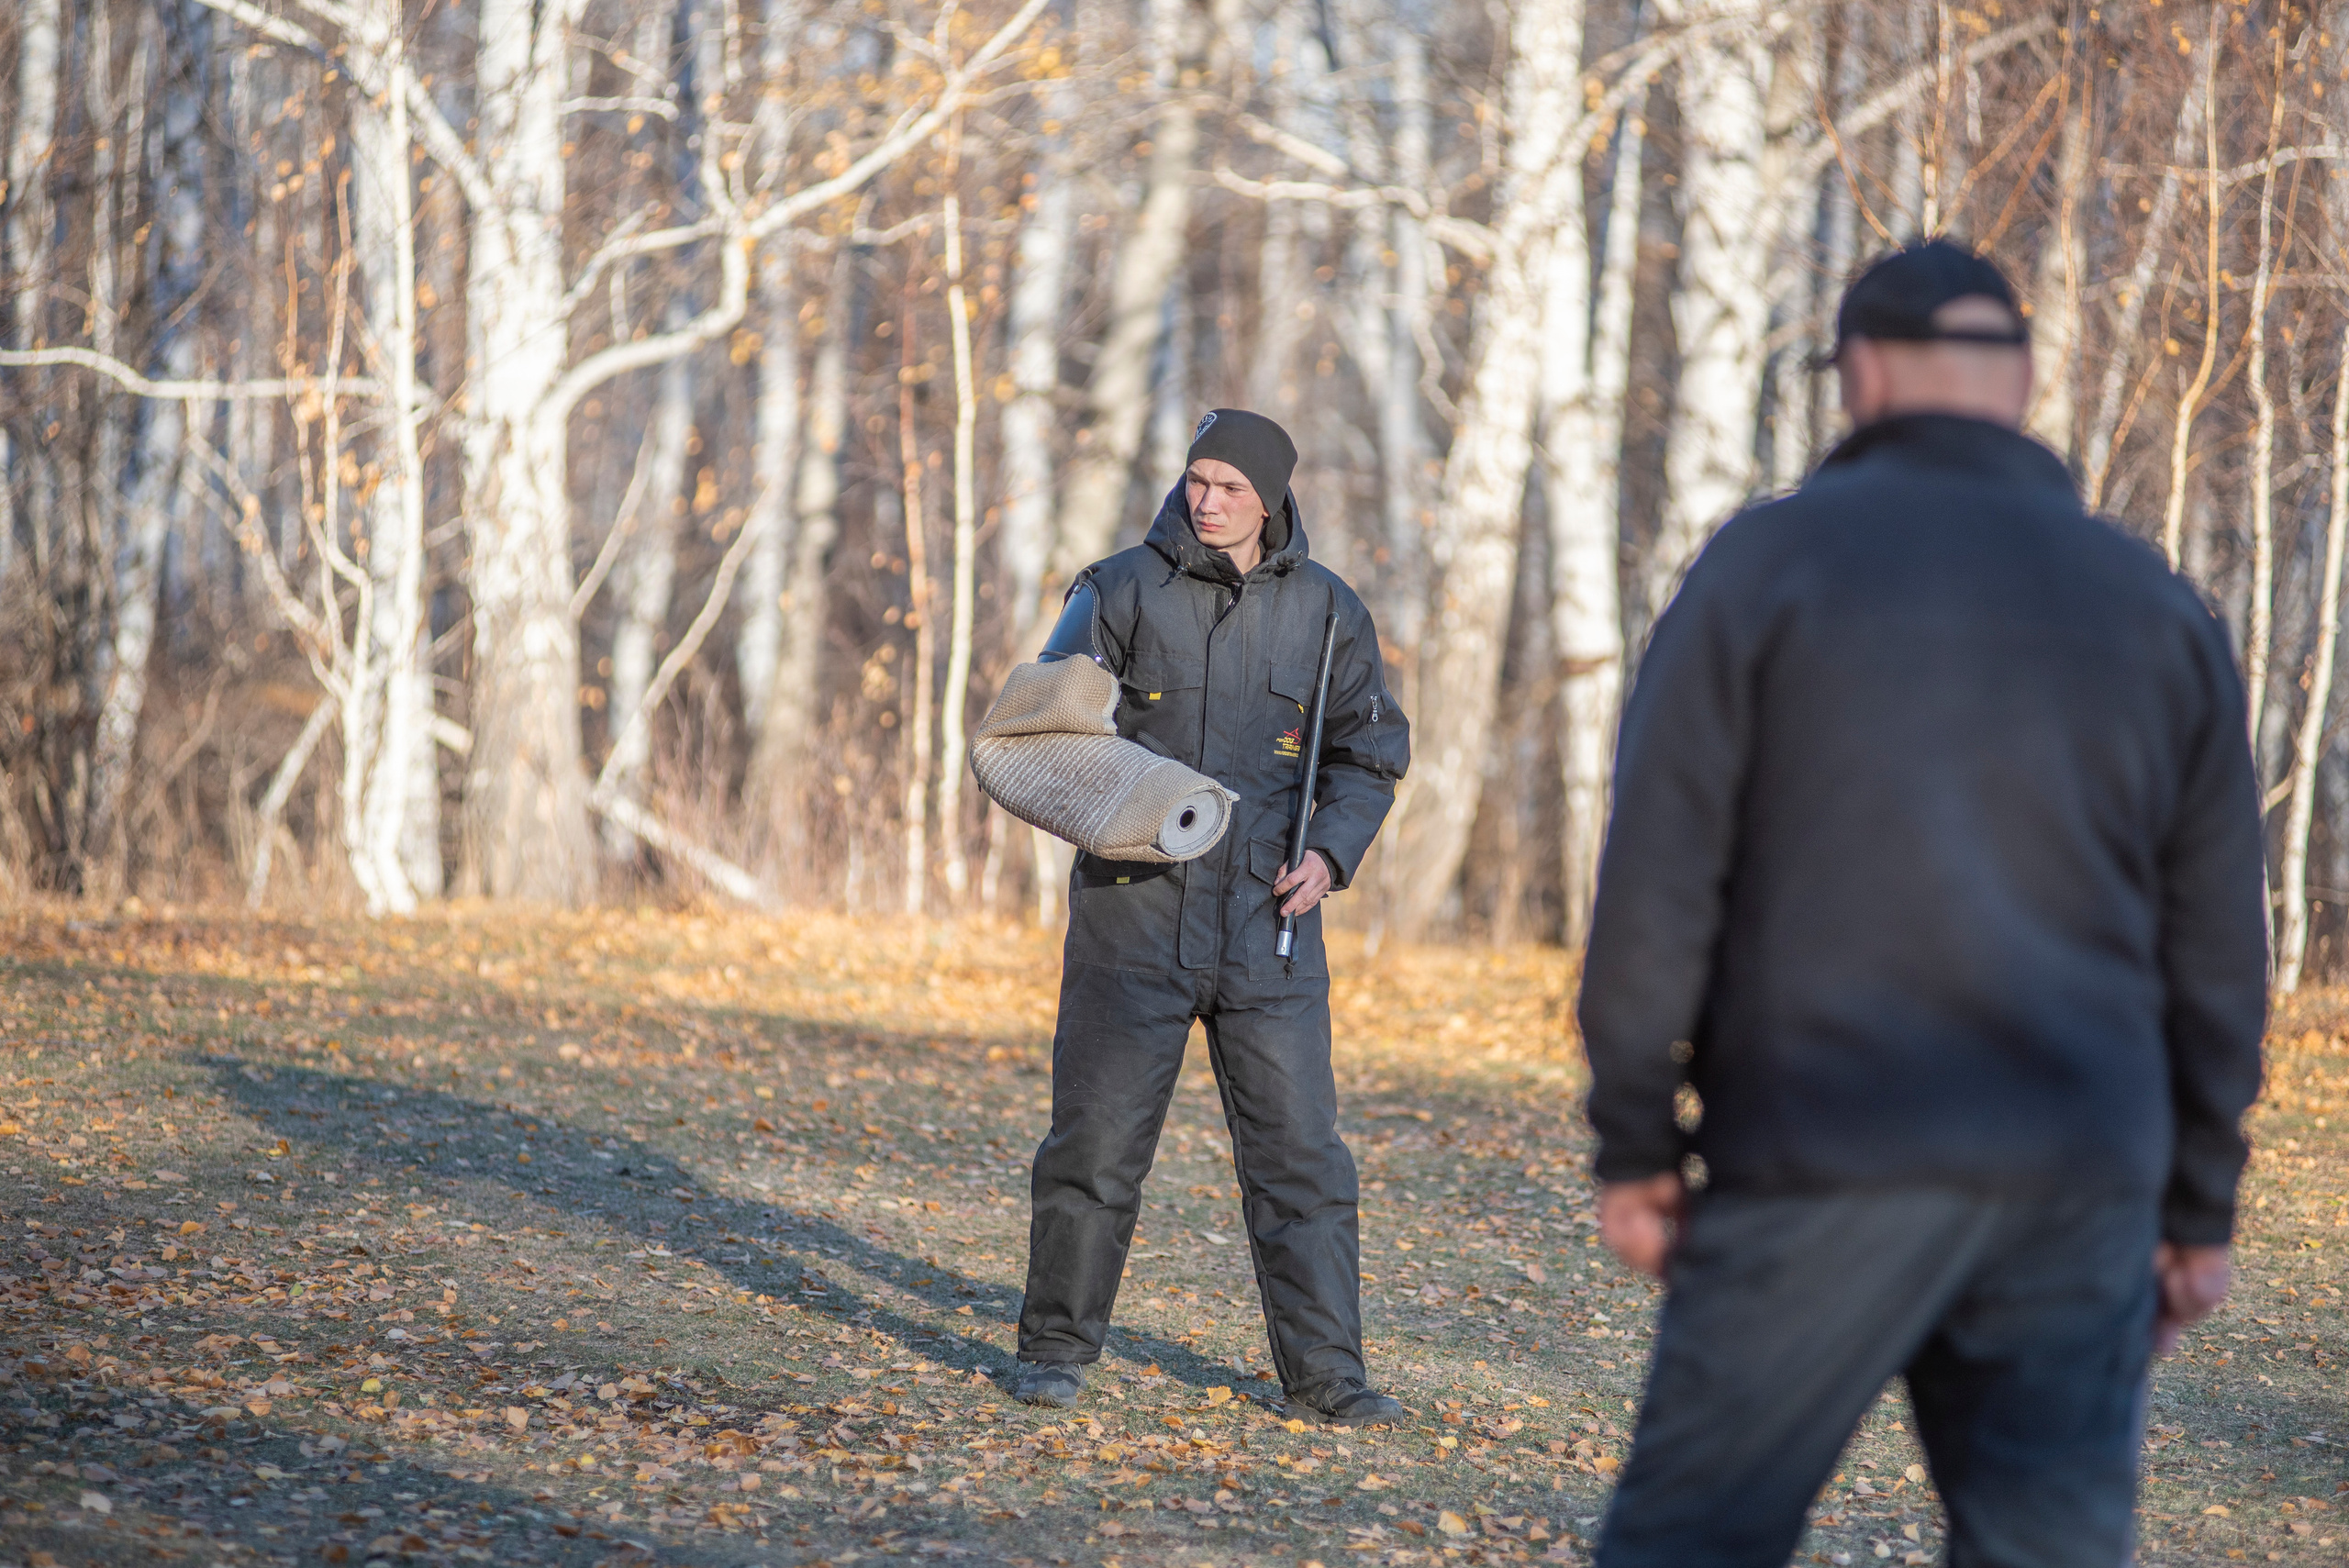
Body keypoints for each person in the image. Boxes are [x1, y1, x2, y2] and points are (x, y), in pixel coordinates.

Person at [1577, 240, 2267, 1564]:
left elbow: (1659, 879)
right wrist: (2194, 1205)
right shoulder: (2154, 604)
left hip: (1825, 1151)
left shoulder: (1764, 569)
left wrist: (1635, 1144)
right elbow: (2218, 949)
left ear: (1865, 370)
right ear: (2017, 381)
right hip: (2080, 1175)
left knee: (1688, 1544)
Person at [1007, 408, 1412, 1425]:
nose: (1208, 499)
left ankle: (1329, 1378)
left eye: (1231, 485)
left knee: (1302, 1164)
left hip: (1268, 934)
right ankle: (1055, 1349)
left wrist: (1329, 852)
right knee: (1092, 1149)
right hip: (1130, 920)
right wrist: (1119, 813)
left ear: (1271, 495)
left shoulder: (1328, 612)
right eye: (1197, 479)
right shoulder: (1115, 589)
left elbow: (1370, 755)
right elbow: (1036, 732)